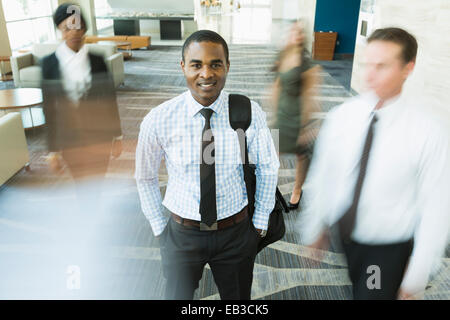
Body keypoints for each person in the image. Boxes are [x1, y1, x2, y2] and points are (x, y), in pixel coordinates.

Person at [298, 27, 449, 300]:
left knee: (370, 293)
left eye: (382, 66)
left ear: (408, 68)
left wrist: (416, 277)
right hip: (345, 237)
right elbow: (324, 175)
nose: (369, 74)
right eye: (368, 63)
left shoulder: (427, 131)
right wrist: (316, 225)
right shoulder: (343, 115)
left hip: (385, 249)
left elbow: (436, 209)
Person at [135, 30, 280, 299]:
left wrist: (259, 222)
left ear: (227, 66)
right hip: (182, 233)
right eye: (196, 65)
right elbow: (145, 177)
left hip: (236, 231)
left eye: (215, 64)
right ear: (182, 66)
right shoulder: (159, 119)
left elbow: (269, 166)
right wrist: (158, 225)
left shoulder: (250, 112)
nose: (206, 74)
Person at [42, 3, 123, 191]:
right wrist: (53, 151)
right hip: (70, 139)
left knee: (97, 182)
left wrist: (117, 136)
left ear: (85, 29)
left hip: (99, 137)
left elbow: (109, 99)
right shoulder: (49, 64)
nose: (74, 32)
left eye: (78, 27)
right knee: (81, 183)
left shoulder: (97, 60)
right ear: (60, 31)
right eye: (67, 28)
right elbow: (49, 109)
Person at [271, 21, 321, 210]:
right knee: (272, 155)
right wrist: (274, 113)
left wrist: (305, 125)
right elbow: (276, 85)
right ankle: (268, 191)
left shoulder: (306, 63)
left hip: (299, 116)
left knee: (301, 155)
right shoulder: (282, 55)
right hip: (282, 115)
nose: (297, 35)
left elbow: (310, 95)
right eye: (294, 31)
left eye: (300, 32)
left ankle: (297, 190)